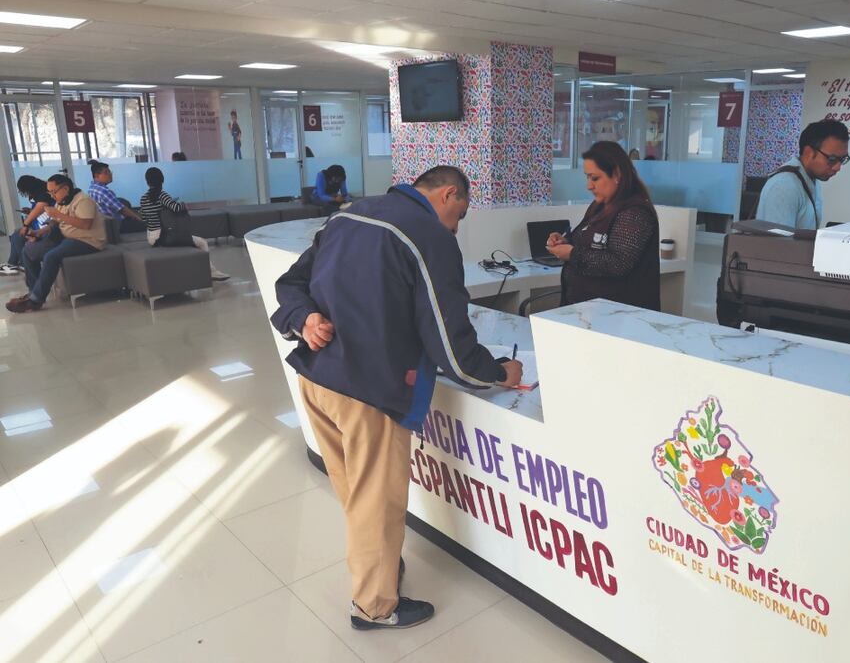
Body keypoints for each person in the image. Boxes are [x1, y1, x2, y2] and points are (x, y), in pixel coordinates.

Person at [270, 165, 523, 631]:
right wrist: (496, 373)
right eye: (460, 214)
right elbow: (450, 343)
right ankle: (375, 607)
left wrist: (304, 318)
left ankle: (380, 568)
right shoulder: (429, 236)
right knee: (377, 503)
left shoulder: (351, 214)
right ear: (448, 195)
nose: (457, 227)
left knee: (355, 493)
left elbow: (290, 285)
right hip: (368, 390)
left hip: (317, 379)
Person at [546, 140, 661, 311]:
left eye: (595, 178)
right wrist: (564, 242)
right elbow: (585, 240)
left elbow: (618, 263)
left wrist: (572, 254)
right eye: (587, 177)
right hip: (587, 310)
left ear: (616, 174)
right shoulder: (600, 205)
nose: (589, 186)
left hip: (620, 316)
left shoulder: (635, 212)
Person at [7, 174, 106, 313]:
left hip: (86, 240)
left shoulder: (83, 200)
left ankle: (35, 300)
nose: (52, 196)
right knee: (28, 251)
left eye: (54, 192)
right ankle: (33, 291)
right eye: (50, 192)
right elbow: (55, 222)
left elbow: (85, 224)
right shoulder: (62, 200)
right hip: (66, 237)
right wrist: (41, 232)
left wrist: (58, 215)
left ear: (65, 188)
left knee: (51, 256)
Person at [755, 119, 850, 230]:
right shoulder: (784, 186)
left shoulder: (813, 179)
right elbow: (777, 244)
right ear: (809, 153)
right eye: (832, 159)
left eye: (843, 159)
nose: (838, 167)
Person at [138, 167, 230, 281]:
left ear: (147, 182)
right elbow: (176, 208)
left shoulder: (143, 198)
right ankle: (211, 272)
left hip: (151, 238)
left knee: (191, 242)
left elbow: (143, 217)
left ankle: (200, 270)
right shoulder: (162, 195)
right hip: (164, 237)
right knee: (202, 242)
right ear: (162, 180)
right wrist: (183, 205)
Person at [1, 176, 55, 276]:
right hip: (41, 225)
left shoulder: (44, 194)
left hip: (46, 229)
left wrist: (25, 224)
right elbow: (41, 210)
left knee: (18, 235)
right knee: (16, 235)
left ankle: (21, 264)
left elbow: (41, 208)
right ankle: (14, 263)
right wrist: (30, 211)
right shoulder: (39, 194)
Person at [86, 159, 144, 233]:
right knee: (148, 225)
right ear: (97, 175)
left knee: (124, 202)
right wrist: (138, 218)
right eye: (106, 172)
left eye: (110, 172)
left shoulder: (92, 187)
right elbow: (122, 209)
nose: (110, 174)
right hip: (117, 225)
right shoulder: (104, 191)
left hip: (105, 223)